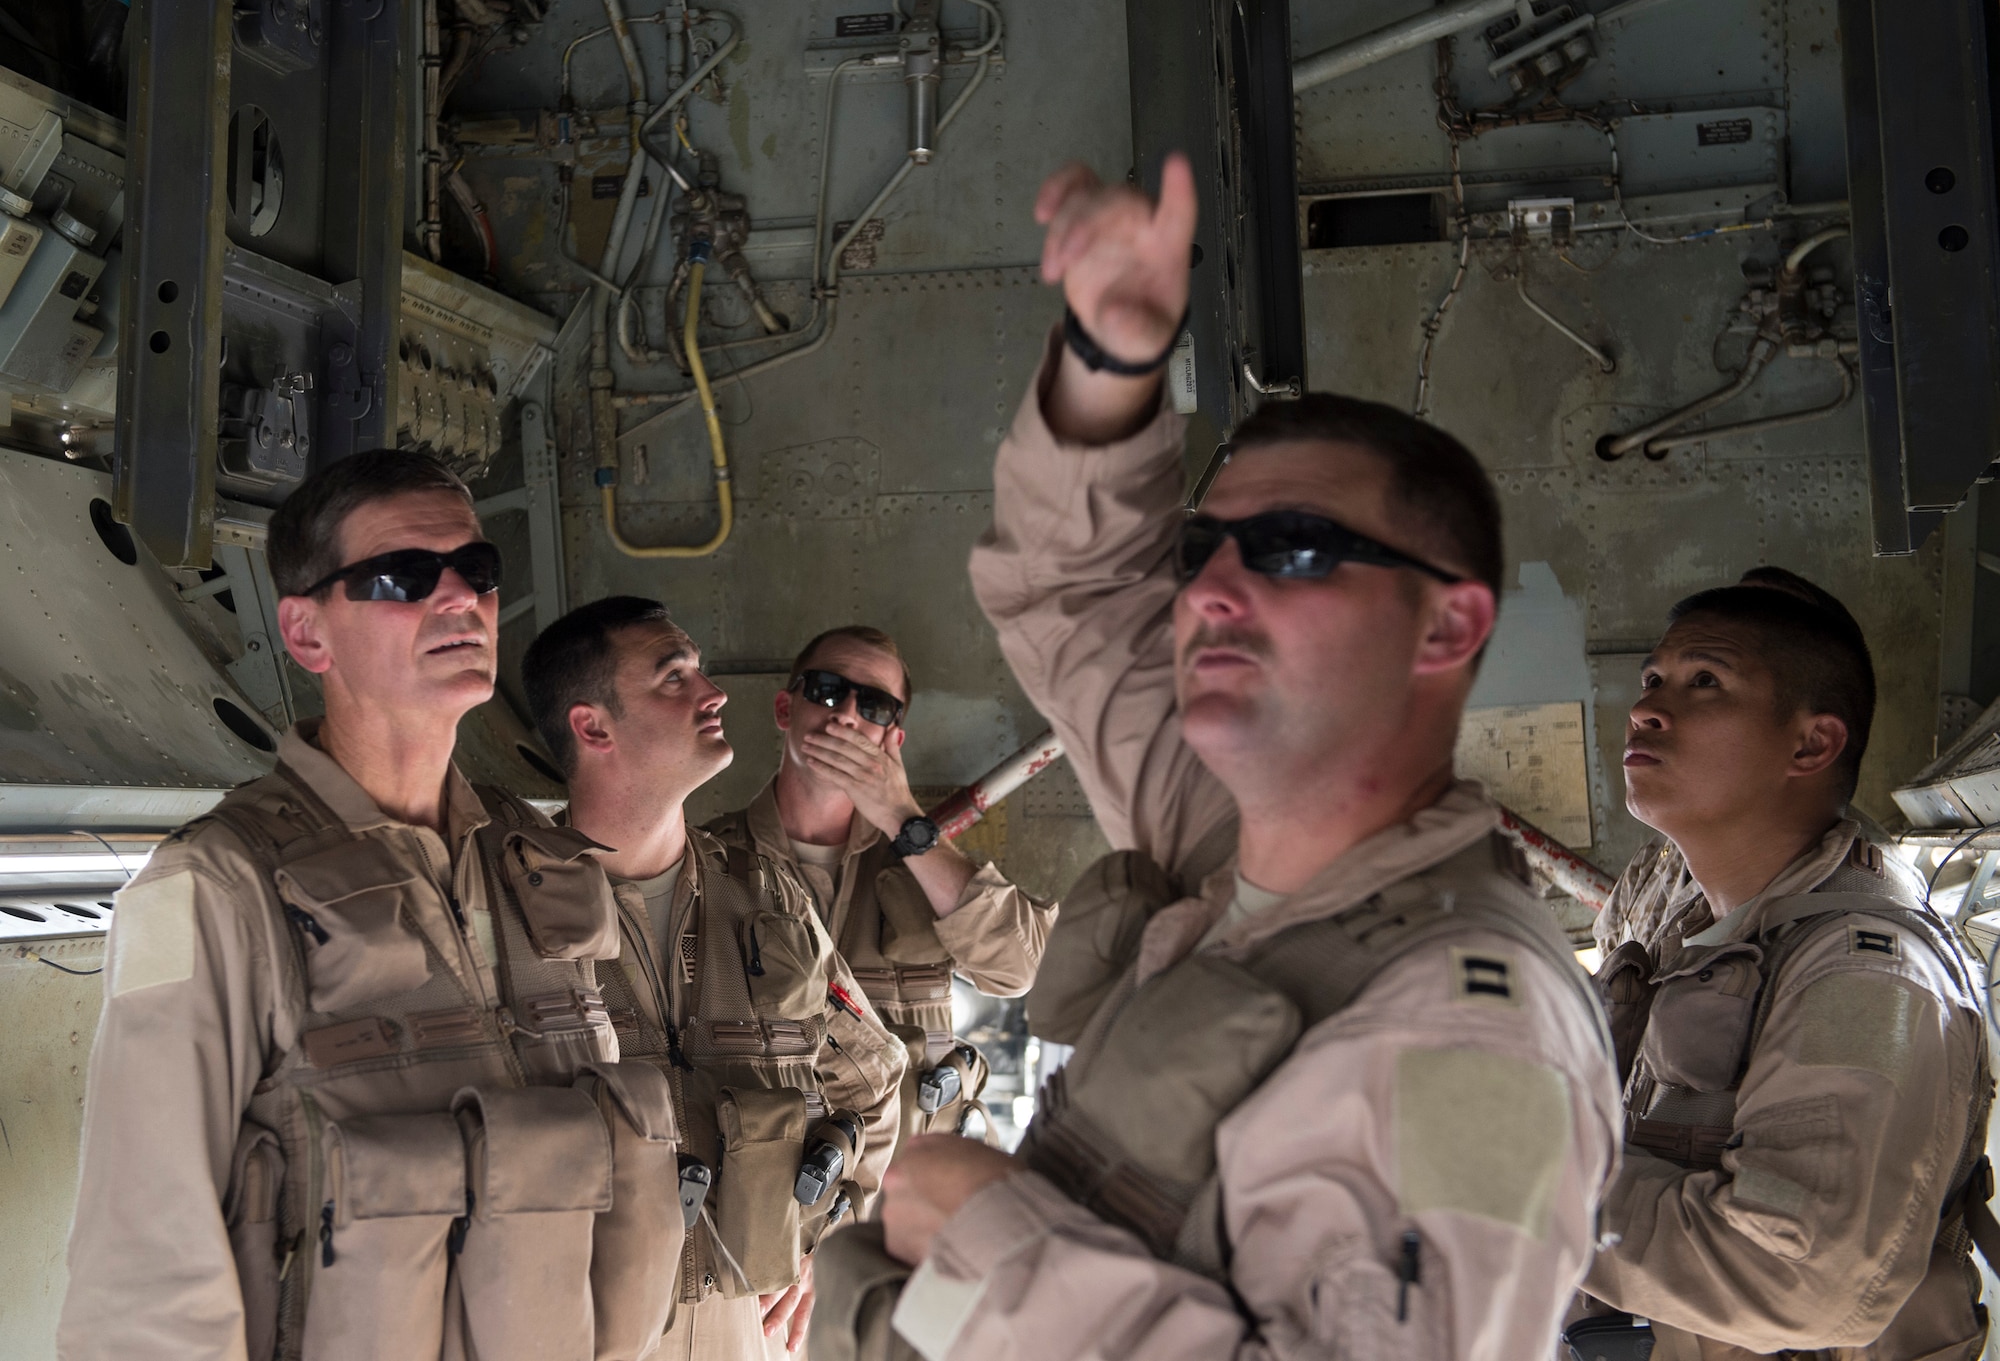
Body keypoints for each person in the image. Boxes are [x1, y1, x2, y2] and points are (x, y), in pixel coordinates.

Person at [809, 156, 1620, 1361]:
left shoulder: (1481, 1035)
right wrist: (1109, 364)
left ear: (1446, 625)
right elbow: (1075, 590)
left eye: (1294, 549)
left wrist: (994, 1239)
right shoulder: (1218, 836)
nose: (1217, 594)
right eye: (1202, 553)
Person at [59, 450, 684, 1361]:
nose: (459, 598)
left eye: (477, 571)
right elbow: (145, 1270)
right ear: (308, 635)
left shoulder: (538, 861)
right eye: (403, 576)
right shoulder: (213, 886)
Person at [1573, 568, 1993, 1361]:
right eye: (1654, 678)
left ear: (1812, 742)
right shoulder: (1670, 890)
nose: (1647, 708)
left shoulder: (1867, 976)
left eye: (1707, 682)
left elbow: (1790, 1280)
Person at [523, 597, 908, 1360]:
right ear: (593, 725)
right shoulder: (510, 905)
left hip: (744, 1333)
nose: (712, 692)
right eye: (674, 676)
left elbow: (876, 1075)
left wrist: (829, 1230)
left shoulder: (764, 893)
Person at [702, 625, 1053, 1140]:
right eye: (825, 689)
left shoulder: (927, 865)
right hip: (772, 1186)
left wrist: (903, 819)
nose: (845, 714)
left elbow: (1019, 969)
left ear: (893, 738)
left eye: (874, 706)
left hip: (906, 1182)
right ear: (785, 709)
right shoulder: (708, 861)